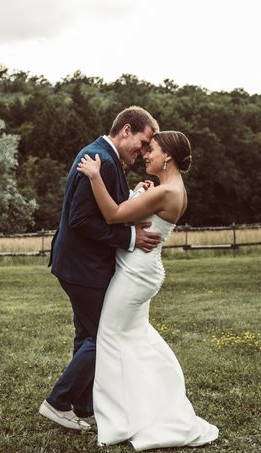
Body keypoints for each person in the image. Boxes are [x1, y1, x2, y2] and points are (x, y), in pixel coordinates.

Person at [76, 131, 219, 450]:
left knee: (110, 337)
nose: (145, 154)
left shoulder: (167, 191)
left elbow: (113, 216)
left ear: (168, 155)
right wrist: (137, 193)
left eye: (151, 149)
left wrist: (96, 176)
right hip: (141, 270)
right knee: (135, 337)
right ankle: (150, 404)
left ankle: (119, 421)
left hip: (136, 273)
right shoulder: (171, 189)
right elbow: (136, 215)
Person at [40, 106, 162, 431]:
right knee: (104, 336)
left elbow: (112, 206)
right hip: (84, 267)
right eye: (144, 141)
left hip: (76, 265)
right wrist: (130, 237)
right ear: (126, 130)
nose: (145, 150)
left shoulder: (102, 157)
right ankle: (58, 402)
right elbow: (81, 221)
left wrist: (134, 193)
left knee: (87, 336)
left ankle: (82, 407)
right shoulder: (102, 161)